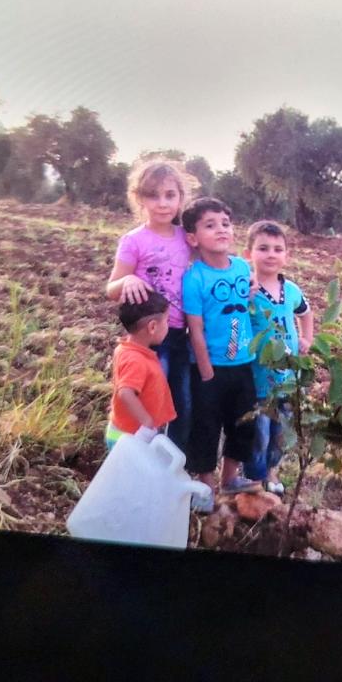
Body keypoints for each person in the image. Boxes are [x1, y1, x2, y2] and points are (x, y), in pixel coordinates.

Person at [106, 159, 194, 454]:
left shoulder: (186, 237)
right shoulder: (133, 241)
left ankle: (174, 465)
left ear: (181, 198)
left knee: (180, 403)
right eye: (153, 195)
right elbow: (111, 288)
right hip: (148, 339)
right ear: (139, 199)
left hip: (179, 333)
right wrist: (127, 280)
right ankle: (132, 455)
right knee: (144, 401)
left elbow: (215, 260)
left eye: (170, 195)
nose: (162, 203)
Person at [181, 197, 261, 495]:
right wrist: (205, 372)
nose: (221, 230)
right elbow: (196, 329)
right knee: (207, 426)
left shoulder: (241, 266)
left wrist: (251, 293)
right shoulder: (194, 278)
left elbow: (248, 298)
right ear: (193, 238)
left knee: (243, 423)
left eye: (225, 224)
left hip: (243, 363)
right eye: (210, 225)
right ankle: (206, 484)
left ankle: (230, 480)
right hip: (209, 368)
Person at [242, 220, 314, 494]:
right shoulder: (247, 289)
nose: (271, 254)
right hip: (257, 378)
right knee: (258, 432)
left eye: (277, 249)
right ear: (249, 253)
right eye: (263, 248)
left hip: (288, 379)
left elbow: (306, 313)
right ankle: (253, 477)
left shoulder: (292, 290)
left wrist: (307, 338)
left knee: (281, 433)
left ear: (286, 255)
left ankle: (272, 472)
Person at [105, 291, 175, 449]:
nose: (168, 326)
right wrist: (147, 423)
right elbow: (125, 392)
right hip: (129, 436)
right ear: (152, 327)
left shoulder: (128, 349)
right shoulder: (136, 360)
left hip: (127, 432)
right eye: (167, 321)